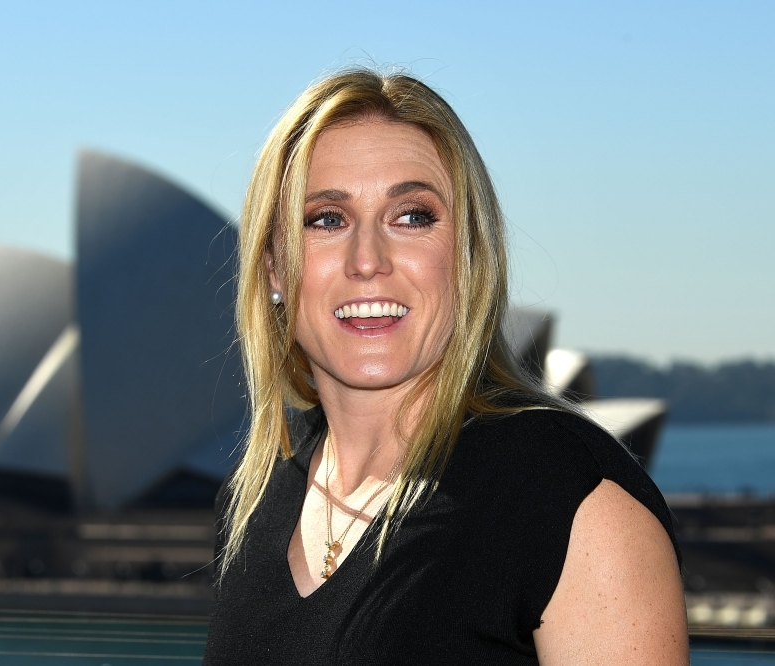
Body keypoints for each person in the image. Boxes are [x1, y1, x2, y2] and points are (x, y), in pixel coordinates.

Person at [203, 68, 687, 665]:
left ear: (468, 257)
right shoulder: (256, 497)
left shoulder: (567, 498)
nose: (367, 261)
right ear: (274, 268)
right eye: (327, 219)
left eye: (412, 216)